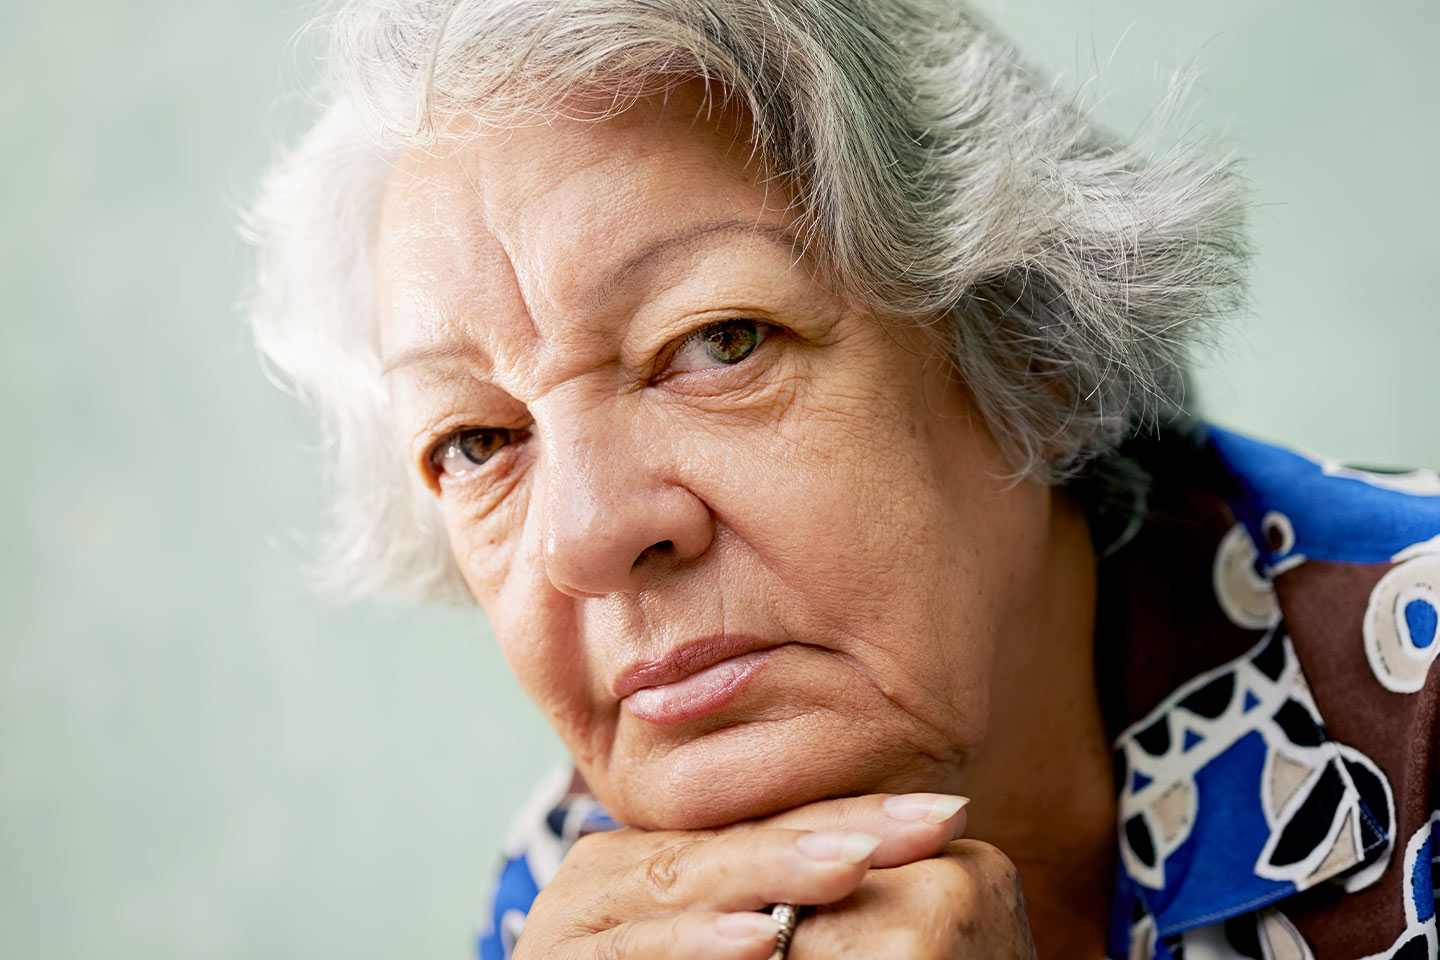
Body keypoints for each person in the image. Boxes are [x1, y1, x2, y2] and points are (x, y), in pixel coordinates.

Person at [244, 1, 1440, 957]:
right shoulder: (579, 893)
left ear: (1027, 339)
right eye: (478, 442)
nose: (587, 534)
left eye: (720, 341)